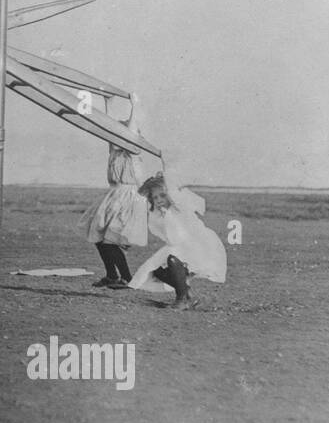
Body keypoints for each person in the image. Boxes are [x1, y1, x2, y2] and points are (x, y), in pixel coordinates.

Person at [78, 97, 150, 288]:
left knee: (110, 241)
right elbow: (107, 126)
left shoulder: (132, 152)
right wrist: (106, 101)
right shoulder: (114, 151)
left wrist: (135, 104)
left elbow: (131, 132)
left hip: (129, 198)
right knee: (98, 237)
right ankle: (112, 275)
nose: (114, 137)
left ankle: (127, 278)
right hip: (115, 195)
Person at [128, 174, 227, 309]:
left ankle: (181, 299)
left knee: (172, 259)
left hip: (198, 244)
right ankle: (187, 293)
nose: (158, 200)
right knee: (155, 269)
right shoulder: (161, 213)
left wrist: (165, 166)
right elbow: (169, 236)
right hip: (179, 245)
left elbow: (174, 192)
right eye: (155, 197)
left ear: (170, 194)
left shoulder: (179, 206)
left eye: (162, 195)